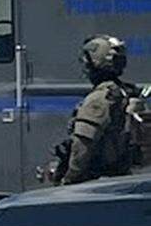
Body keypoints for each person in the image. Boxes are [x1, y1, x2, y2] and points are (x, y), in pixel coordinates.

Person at [45, 36, 141, 187]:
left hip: (97, 184)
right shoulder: (123, 93)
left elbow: (82, 147)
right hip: (120, 180)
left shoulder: (98, 99)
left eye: (87, 62)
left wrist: (69, 180)